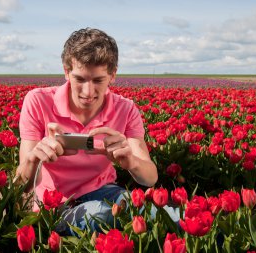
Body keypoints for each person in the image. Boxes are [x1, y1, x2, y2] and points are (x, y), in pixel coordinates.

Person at [16, 28, 174, 235]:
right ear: (66, 71)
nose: (88, 92)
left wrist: (131, 162)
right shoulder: (38, 101)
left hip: (102, 190)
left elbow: (150, 178)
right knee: (102, 216)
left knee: (160, 214)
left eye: (98, 80)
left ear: (113, 75)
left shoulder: (125, 109)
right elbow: (22, 185)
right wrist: (34, 158)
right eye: (79, 79)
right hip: (54, 200)